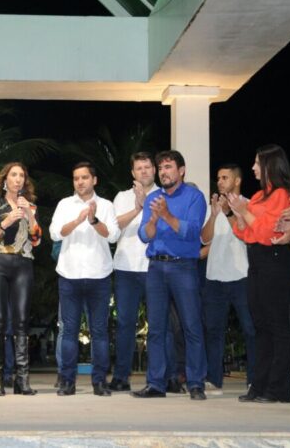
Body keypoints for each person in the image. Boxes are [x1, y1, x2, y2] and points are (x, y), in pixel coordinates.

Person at [132, 150, 207, 400]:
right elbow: (145, 235)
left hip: (183, 267)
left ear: (181, 170)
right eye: (160, 167)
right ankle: (156, 383)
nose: (163, 172)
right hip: (156, 268)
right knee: (155, 329)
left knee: (191, 326)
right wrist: (153, 218)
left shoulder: (194, 197)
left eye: (168, 167)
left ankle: (196, 383)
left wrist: (166, 215)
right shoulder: (153, 197)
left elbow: (192, 231)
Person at [229, 144, 290, 404]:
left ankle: (278, 389)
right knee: (260, 324)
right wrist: (240, 214)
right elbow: (245, 233)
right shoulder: (258, 196)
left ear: (270, 165)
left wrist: (244, 213)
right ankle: (259, 385)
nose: (254, 168)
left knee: (276, 324)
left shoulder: (281, 194)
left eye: (258, 163)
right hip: (257, 258)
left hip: (276, 260)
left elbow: (268, 234)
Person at [49, 162, 120, 397]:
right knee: (68, 330)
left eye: (84, 177)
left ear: (94, 180)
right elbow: (55, 233)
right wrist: (79, 220)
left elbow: (113, 236)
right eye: (76, 178)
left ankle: (99, 382)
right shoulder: (64, 204)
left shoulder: (107, 205)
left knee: (99, 331)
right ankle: (67, 381)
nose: (80, 182)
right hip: (69, 275)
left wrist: (93, 220)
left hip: (99, 276)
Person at [0, 163, 42, 396]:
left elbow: (36, 240)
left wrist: (29, 216)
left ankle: (22, 380)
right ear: (5, 180)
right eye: (13, 175)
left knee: (22, 321)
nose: (18, 179)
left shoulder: (31, 206)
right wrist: (5, 222)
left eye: (22, 176)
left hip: (23, 263)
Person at [199, 163, 255, 395]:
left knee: (250, 329)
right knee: (213, 330)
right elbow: (204, 239)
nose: (220, 181)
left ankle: (254, 379)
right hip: (214, 276)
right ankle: (214, 380)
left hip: (242, 275)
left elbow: (248, 235)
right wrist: (214, 215)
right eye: (218, 178)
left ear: (237, 181)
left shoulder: (249, 204)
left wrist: (230, 212)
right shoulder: (213, 207)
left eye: (225, 177)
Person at [109, 152, 160, 392]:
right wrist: (138, 207)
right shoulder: (122, 196)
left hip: (155, 268)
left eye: (147, 167)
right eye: (139, 168)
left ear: (155, 170)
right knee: (125, 324)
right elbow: (114, 226)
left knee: (159, 325)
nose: (144, 171)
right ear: (132, 173)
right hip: (125, 269)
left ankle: (160, 378)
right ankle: (121, 376)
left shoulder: (164, 195)